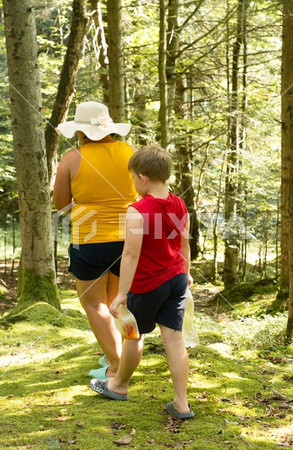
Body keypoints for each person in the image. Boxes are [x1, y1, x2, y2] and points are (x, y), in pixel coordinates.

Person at [90, 145, 195, 420]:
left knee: (134, 336)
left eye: (134, 178)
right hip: (176, 280)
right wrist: (187, 272)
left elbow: (131, 254)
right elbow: (184, 243)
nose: (134, 183)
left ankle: (119, 385)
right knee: (174, 338)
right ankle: (182, 404)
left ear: (143, 177)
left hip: (148, 284)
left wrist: (121, 293)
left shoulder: (138, 210)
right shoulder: (179, 203)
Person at [53, 101, 137, 378]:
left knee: (94, 304)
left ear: (80, 131)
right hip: (131, 239)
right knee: (118, 303)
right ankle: (124, 358)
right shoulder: (130, 152)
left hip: (90, 240)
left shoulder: (72, 157)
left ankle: (116, 365)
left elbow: (61, 204)